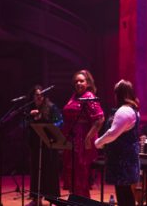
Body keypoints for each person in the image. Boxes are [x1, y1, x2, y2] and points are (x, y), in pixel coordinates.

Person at [95, 79, 140, 206]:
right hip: (126, 158)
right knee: (124, 193)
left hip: (122, 160)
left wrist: (98, 142)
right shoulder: (132, 109)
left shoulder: (124, 111)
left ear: (118, 95)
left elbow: (112, 133)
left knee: (123, 194)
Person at [61, 69, 105, 198]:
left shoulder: (89, 96)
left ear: (88, 83)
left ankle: (82, 202)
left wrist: (88, 138)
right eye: (76, 81)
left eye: (81, 81)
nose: (78, 83)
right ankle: (74, 200)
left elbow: (100, 119)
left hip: (82, 141)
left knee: (81, 177)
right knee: (71, 175)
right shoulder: (74, 96)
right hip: (71, 140)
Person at [26, 85, 63, 206]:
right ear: (32, 97)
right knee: (36, 170)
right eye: (36, 95)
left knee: (50, 170)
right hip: (35, 144)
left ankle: (53, 198)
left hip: (49, 143)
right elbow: (23, 125)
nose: (39, 97)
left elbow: (60, 122)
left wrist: (47, 124)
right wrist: (30, 117)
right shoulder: (30, 108)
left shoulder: (51, 107)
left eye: (41, 94)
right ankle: (36, 197)